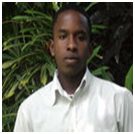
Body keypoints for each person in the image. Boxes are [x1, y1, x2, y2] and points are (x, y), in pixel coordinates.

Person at [14, 4, 133, 132]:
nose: (71, 45)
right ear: (52, 48)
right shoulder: (30, 111)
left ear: (90, 49)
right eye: (63, 36)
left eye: (80, 37)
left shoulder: (119, 100)